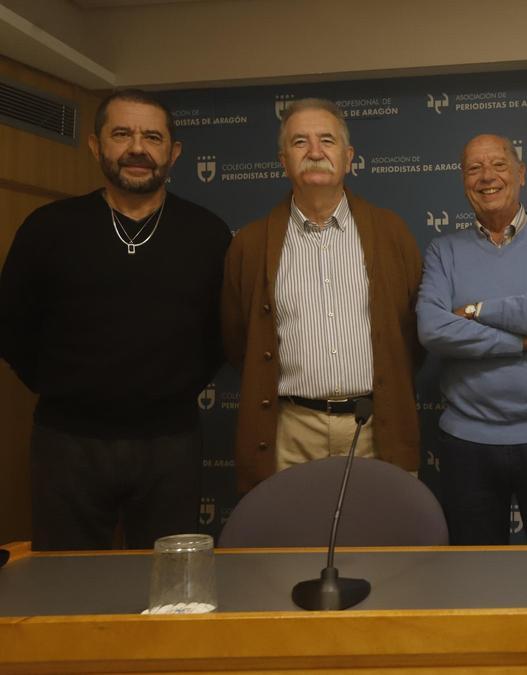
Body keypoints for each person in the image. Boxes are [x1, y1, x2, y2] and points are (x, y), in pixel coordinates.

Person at [0, 89, 231, 550]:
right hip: (68, 441)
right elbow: (12, 327)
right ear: (95, 145)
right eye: (122, 134)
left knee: (169, 591)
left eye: (152, 136)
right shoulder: (49, 227)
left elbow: (223, 334)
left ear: (174, 152)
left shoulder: (207, 233)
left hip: (171, 441)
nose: (137, 149)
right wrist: (69, 387)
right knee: (66, 584)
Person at [221, 98, 422, 494]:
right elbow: (236, 341)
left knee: (380, 548)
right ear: (283, 161)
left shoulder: (391, 232)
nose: (315, 152)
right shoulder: (250, 243)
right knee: (289, 550)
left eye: (326, 141)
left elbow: (414, 332)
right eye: (300, 142)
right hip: (289, 434)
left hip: (374, 429)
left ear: (348, 158)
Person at [416, 133, 527, 545]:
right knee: (474, 583)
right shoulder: (444, 251)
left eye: (498, 165)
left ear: (521, 174)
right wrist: (519, 340)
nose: (486, 177)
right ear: (463, 180)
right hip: (468, 442)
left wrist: (476, 311)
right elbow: (433, 328)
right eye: (474, 168)